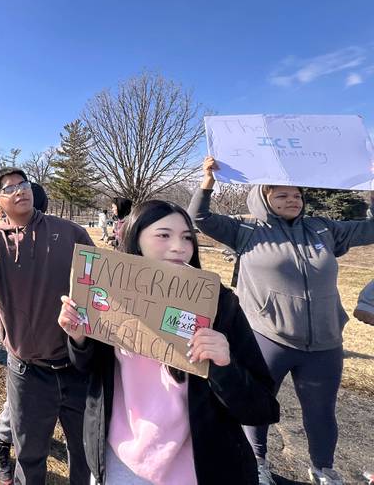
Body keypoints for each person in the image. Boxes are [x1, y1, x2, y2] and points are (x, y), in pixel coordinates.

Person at [58, 200, 279, 484]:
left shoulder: (220, 306)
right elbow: (89, 371)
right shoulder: (107, 295)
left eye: (187, 237)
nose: (180, 246)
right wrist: (78, 338)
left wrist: (224, 366)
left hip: (196, 470)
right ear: (136, 239)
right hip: (119, 464)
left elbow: (262, 408)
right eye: (164, 235)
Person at [189, 156, 374, 485]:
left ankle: (323, 469)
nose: (293, 200)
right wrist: (207, 181)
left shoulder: (323, 228)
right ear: (264, 198)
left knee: (321, 413)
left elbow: (370, 229)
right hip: (268, 337)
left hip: (325, 343)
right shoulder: (246, 229)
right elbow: (199, 217)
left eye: (297, 195)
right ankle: (256, 462)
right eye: (282, 195)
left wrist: (371, 188)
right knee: (256, 405)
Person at [0, 168, 93, 485]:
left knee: (86, 456)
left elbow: (97, 283)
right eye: (10, 188)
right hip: (28, 373)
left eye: (24, 184)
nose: (20, 191)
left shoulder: (70, 233)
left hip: (75, 366)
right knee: (30, 458)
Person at [0, 181, 50, 483]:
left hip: (58, 349)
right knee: (16, 408)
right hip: (23, 349)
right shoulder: (2, 241)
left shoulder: (57, 238)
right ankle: (1, 441)